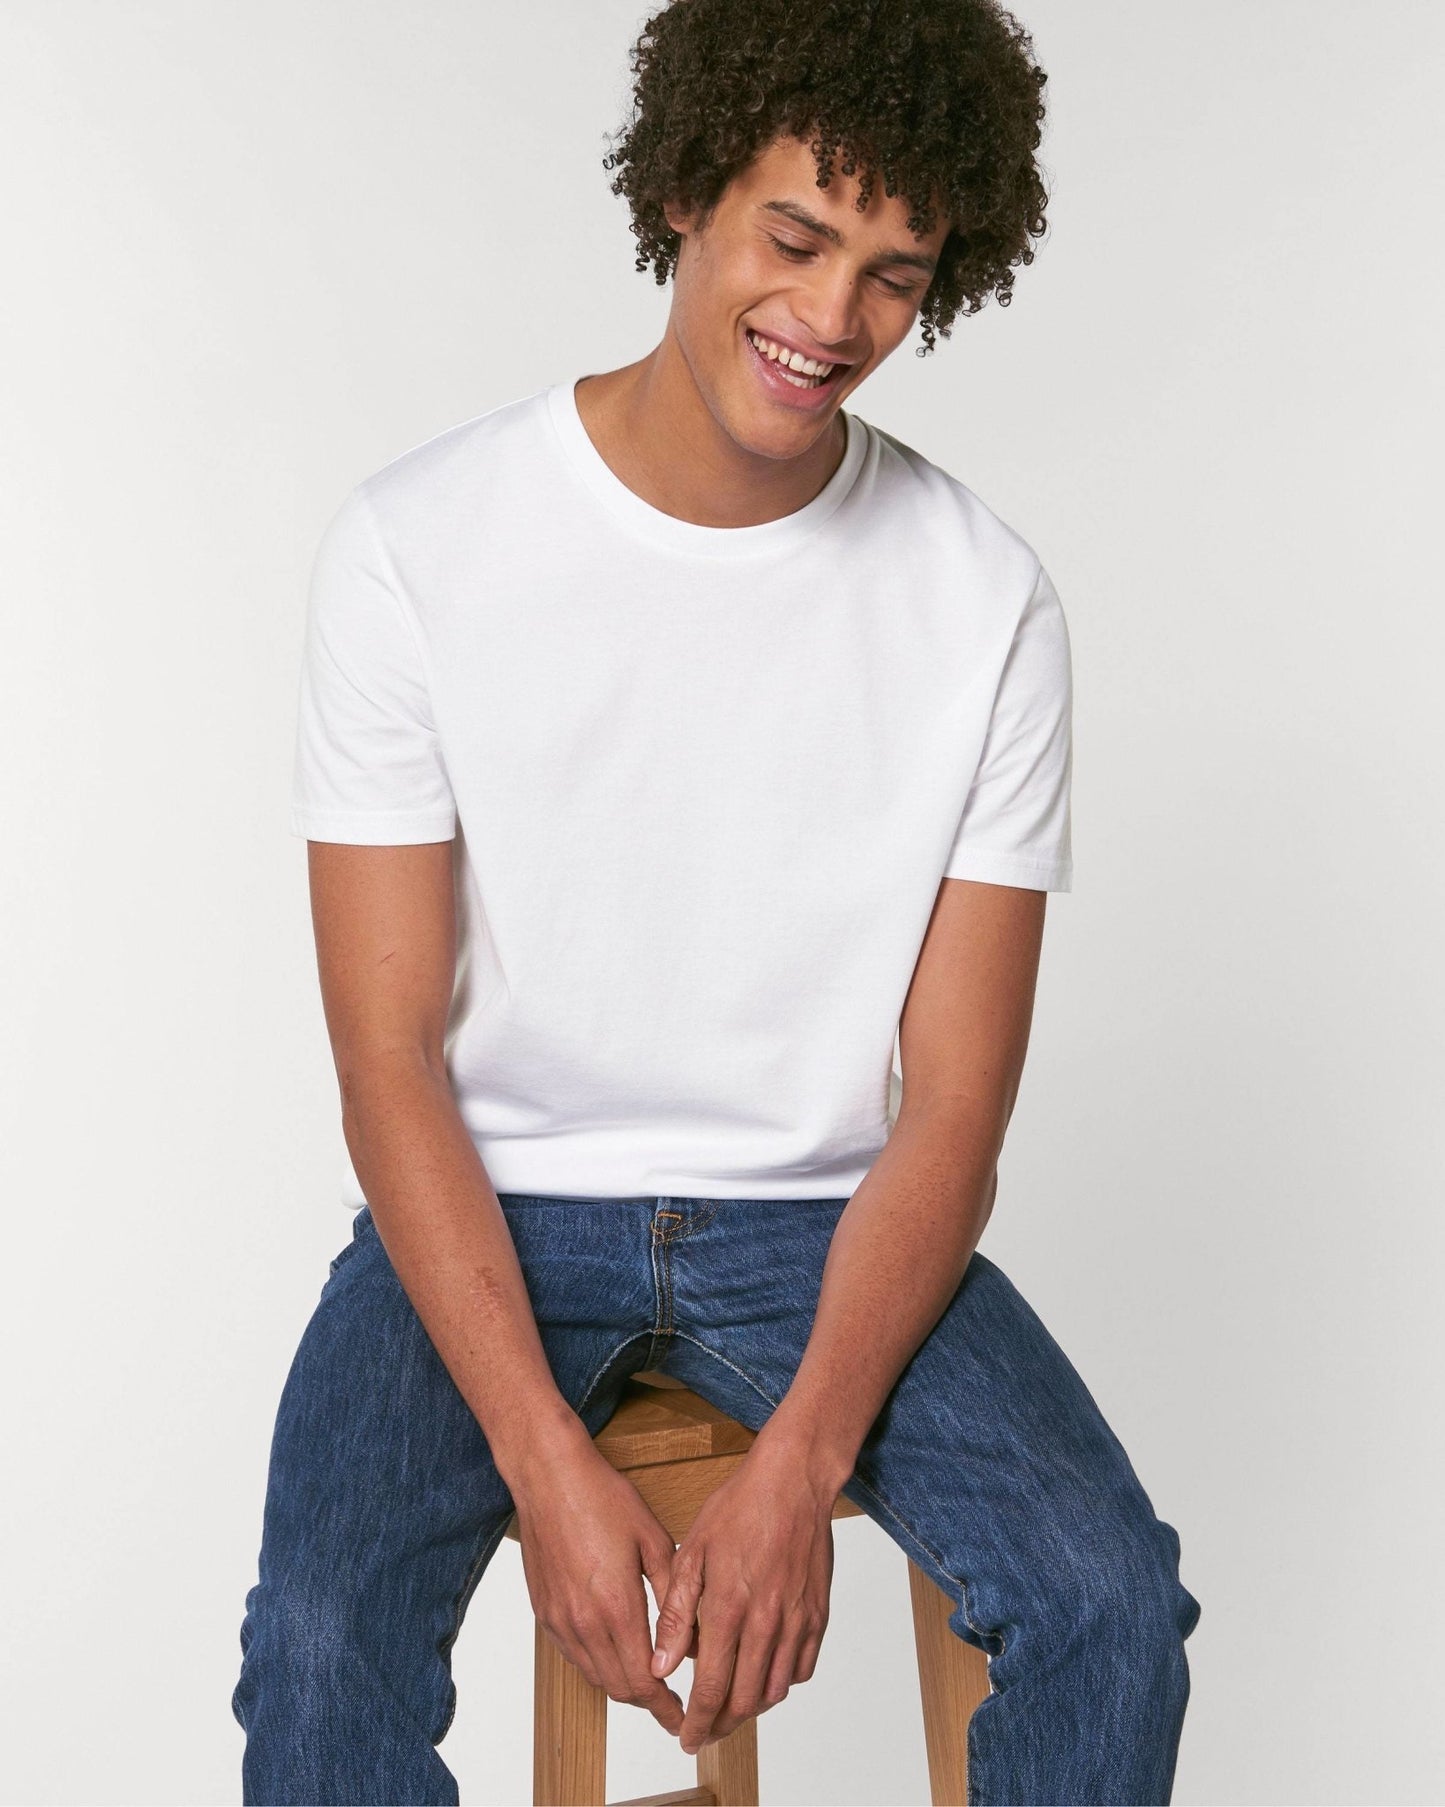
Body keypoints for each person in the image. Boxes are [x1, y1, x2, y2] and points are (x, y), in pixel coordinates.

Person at [231, 1, 1202, 1800]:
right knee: (315, 1642)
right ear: (684, 189)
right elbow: (388, 1061)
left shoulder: (981, 600)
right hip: (496, 1202)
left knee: (1108, 1604)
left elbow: (955, 1107)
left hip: (826, 1219)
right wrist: (542, 1460)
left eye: (895, 275)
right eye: (795, 236)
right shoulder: (417, 545)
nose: (832, 318)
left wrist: (798, 1463)